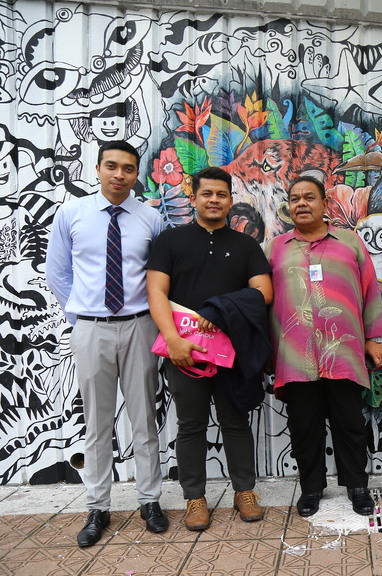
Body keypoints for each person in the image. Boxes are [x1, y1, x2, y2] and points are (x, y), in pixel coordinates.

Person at [45, 140, 168, 546]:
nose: (119, 175)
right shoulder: (73, 214)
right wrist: (81, 317)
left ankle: (150, 500)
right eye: (111, 166)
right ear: (97, 168)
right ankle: (98, 506)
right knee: (97, 423)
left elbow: (159, 277)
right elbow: (58, 273)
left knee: (144, 420)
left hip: (139, 326)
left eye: (128, 168)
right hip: (91, 328)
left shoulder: (151, 218)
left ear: (137, 174)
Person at [146, 167, 273, 530]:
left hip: (231, 351)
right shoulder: (171, 241)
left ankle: (244, 492)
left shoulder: (246, 245)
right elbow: (156, 292)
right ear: (194, 197)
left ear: (231, 200)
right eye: (207, 194)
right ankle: (195, 499)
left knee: (236, 421)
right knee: (190, 425)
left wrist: (223, 310)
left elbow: (264, 291)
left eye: (221, 194)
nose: (214, 200)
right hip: (182, 350)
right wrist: (172, 340)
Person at [268, 175, 382, 518]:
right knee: (304, 425)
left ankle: (357, 487)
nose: (301, 204)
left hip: (344, 350)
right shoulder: (274, 248)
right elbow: (264, 301)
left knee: (349, 422)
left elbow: (369, 292)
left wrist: (374, 339)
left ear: (324, 204)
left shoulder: (348, 242)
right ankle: (311, 489)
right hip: (295, 354)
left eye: (309, 198)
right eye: (294, 199)